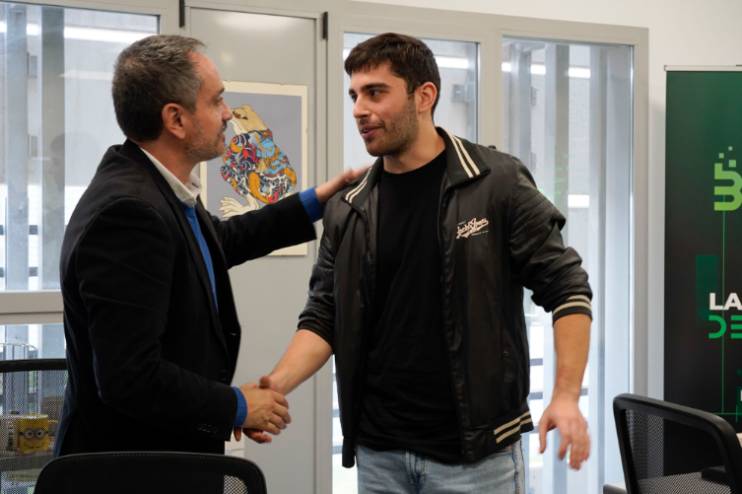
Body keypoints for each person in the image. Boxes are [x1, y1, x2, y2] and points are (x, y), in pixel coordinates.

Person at [252, 33, 593, 493]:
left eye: (375, 92)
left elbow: (567, 289)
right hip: (379, 455)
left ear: (424, 96)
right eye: (354, 96)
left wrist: (566, 396)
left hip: (476, 460)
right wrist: (275, 385)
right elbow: (324, 315)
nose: (359, 110)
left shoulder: (497, 182)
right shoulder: (349, 207)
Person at [55, 34, 360, 456]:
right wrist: (237, 406)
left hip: (160, 455)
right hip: (131, 468)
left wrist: (315, 202)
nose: (228, 113)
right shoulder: (129, 214)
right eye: (216, 101)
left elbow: (217, 242)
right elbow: (130, 378)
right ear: (176, 120)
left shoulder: (156, 187)